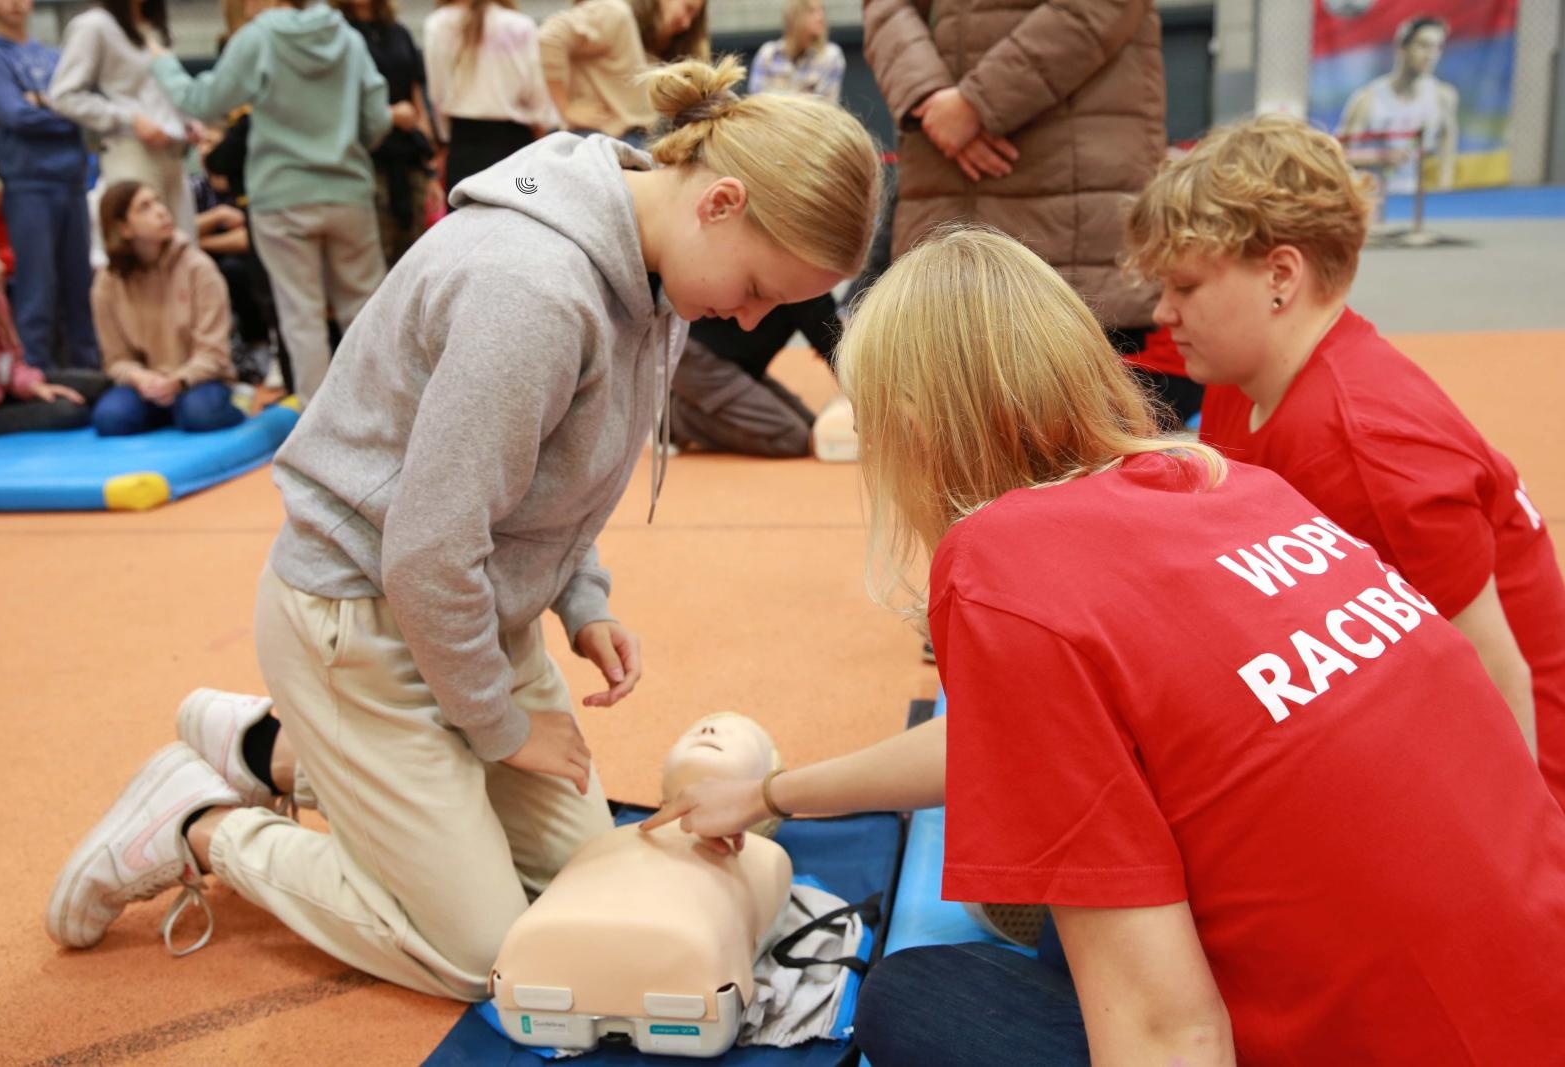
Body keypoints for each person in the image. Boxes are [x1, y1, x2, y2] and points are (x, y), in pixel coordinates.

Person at [45, 57, 882, 1000]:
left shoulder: (655, 266)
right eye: (763, 286)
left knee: (586, 886)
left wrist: (580, 597)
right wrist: (498, 722)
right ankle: (199, 820)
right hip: (363, 616)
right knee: (490, 953)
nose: (752, 316)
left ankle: (273, 749)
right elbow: (426, 549)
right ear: (721, 201)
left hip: (470, 613)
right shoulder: (531, 291)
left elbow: (547, 481)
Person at [644, 226, 1565, 1063]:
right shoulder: (1227, 484)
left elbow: (1172, 1030)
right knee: (1039, 885)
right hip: (1529, 986)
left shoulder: (1006, 564)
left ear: (915, 426)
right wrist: (773, 793)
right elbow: (1016, 744)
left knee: (918, 999)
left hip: (1376, 1033)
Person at [1127, 114, 1565, 811]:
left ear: (1280, 274)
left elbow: (1498, 677)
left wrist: (1521, 880)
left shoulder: (1368, 445)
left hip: (1517, 781)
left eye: (1185, 287)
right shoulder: (1250, 377)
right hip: (1398, 706)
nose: (1161, 312)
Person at [861, 0, 1192, 422]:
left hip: (1073, 175)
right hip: (947, 168)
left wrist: (977, 103)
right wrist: (928, 98)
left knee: (1088, 430)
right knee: (954, 428)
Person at [147, 0, 412, 403]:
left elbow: (203, 102)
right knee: (365, 313)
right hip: (348, 193)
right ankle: (383, 421)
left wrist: (163, 62)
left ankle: (319, 441)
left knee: (301, 319)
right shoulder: (346, 35)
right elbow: (376, 120)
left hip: (282, 197)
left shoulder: (259, 37)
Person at [493, 713, 790, 1054]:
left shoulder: (768, 859)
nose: (710, 728)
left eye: (739, 735)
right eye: (699, 728)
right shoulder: (604, 842)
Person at [0, 0, 103, 372]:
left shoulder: (55, 54)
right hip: (29, 183)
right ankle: (36, 373)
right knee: (37, 289)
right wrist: (65, 109)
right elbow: (14, 114)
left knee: (80, 286)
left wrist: (44, 103)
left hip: (72, 180)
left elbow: (89, 106)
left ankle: (89, 372)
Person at [89, 181, 245, 436]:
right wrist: (141, 378)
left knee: (199, 413)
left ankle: (234, 403)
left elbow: (214, 352)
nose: (161, 211)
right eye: (145, 207)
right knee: (110, 418)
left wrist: (178, 380)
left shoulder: (198, 268)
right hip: (145, 385)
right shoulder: (107, 282)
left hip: (198, 380)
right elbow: (116, 359)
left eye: (158, 201)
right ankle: (170, 413)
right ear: (123, 228)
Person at [48, 0, 198, 235]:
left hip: (173, 154)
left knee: (184, 246)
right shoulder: (94, 25)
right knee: (145, 248)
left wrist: (187, 120)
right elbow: (64, 96)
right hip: (132, 151)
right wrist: (129, 118)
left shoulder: (153, 25)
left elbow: (161, 91)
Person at [0, 230, 107, 437]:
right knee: (70, 412)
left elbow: (12, 360)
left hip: (1, 389)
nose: (0, 267)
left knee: (99, 385)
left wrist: (32, 386)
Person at [668, 295, 840, 458]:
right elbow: (834, 347)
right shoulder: (805, 282)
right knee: (794, 438)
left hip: (736, 363)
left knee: (814, 426)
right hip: (699, 360)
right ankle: (678, 419)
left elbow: (831, 340)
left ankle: (694, 405)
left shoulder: (810, 284)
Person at [336, 0, 435, 265]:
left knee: (417, 254)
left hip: (410, 157)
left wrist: (431, 163)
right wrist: (389, 114)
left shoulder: (398, 31)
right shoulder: (336, 33)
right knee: (375, 256)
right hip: (368, 157)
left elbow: (417, 96)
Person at [424, 0, 558, 195]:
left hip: (463, 146)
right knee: (523, 217)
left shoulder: (437, 24)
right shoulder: (520, 25)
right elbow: (537, 99)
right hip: (518, 147)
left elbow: (437, 95)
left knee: (468, 221)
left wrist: (444, 140)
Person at [538, 0, 704, 144]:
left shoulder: (647, 44)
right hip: (600, 139)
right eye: (688, 9)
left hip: (629, 141)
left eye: (693, 18)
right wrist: (566, 109)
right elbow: (549, 38)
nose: (686, 24)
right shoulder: (615, 13)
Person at [1338, 15, 1458, 196]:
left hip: (1414, 200)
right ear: (1403, 47)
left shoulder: (1443, 97)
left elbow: (1448, 144)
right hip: (1372, 199)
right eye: (1423, 46)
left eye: (1437, 48)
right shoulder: (1367, 100)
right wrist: (1380, 157)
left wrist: (1445, 187)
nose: (1431, 55)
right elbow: (1340, 156)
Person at [747, 0, 844, 102]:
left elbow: (826, 109)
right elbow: (756, 106)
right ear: (794, 17)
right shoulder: (767, 55)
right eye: (811, 11)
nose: (820, 17)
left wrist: (779, 101)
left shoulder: (830, 56)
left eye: (821, 10)